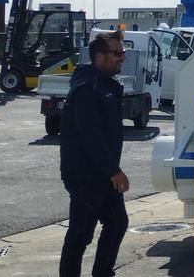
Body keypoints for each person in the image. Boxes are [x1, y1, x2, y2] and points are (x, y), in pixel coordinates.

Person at [59, 32, 130, 277]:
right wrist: (113, 170)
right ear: (100, 57)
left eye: (124, 52)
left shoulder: (104, 85)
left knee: (117, 223)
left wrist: (110, 170)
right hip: (86, 174)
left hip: (104, 173)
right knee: (80, 233)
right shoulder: (86, 89)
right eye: (118, 53)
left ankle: (102, 273)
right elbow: (90, 136)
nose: (122, 58)